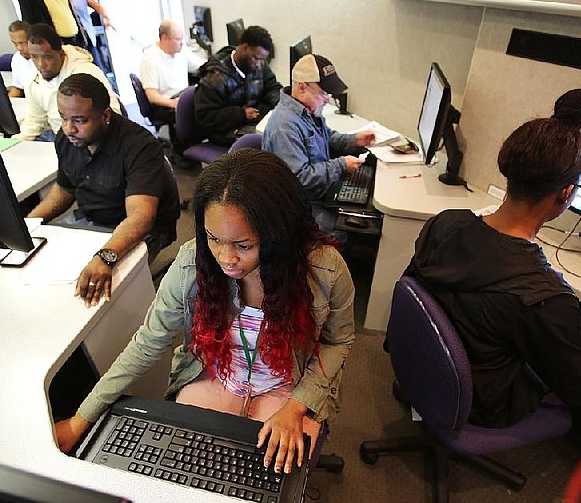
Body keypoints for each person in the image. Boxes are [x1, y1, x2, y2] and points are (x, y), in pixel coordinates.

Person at [54, 149, 356, 474]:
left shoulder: (324, 268)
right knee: (192, 468)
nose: (226, 258)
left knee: (272, 473)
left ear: (278, 234)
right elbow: (146, 344)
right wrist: (81, 419)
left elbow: (338, 342)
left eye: (243, 245)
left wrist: (298, 406)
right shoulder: (190, 263)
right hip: (217, 376)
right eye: (213, 238)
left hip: (289, 383)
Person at [403, 89, 581, 428]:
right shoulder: (544, 296)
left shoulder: (445, 222)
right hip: (480, 402)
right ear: (566, 193)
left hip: (424, 364)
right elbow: (578, 382)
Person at [27, 74, 180, 306]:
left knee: (97, 296)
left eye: (79, 120)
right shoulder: (67, 139)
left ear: (106, 115)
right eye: (63, 118)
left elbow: (140, 218)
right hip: (90, 221)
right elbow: (64, 190)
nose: (69, 128)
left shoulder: (138, 146)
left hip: (139, 229)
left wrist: (105, 256)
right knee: (38, 268)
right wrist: (29, 222)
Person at [262, 53, 376, 239]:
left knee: (365, 209)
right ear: (301, 87)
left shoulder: (307, 110)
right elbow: (299, 179)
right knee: (342, 233)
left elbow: (326, 137)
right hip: (297, 204)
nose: (328, 100)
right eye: (324, 93)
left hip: (316, 193)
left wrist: (354, 140)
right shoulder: (285, 127)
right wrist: (340, 165)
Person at [13, 23, 120, 142]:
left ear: (61, 54)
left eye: (47, 57)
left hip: (89, 139)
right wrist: (15, 142)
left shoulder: (86, 73)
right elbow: (35, 120)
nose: (40, 64)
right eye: (34, 57)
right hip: (60, 138)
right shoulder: (33, 81)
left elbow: (113, 113)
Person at [194, 25, 282, 147]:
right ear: (245, 48)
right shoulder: (214, 77)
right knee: (272, 143)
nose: (259, 64)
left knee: (282, 133)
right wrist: (240, 114)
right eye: (256, 58)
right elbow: (205, 117)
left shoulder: (258, 65)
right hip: (226, 131)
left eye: (263, 60)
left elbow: (272, 87)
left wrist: (281, 104)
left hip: (251, 120)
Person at [139, 20, 205, 132]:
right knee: (199, 113)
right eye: (178, 39)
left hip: (182, 95)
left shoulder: (181, 51)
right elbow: (152, 95)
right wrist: (173, 103)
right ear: (165, 38)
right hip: (165, 103)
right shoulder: (150, 58)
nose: (182, 43)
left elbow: (200, 65)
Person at [6, 21, 37, 98]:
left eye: (23, 43)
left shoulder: (43, 59)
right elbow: (18, 88)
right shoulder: (17, 58)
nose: (19, 48)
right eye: (15, 43)